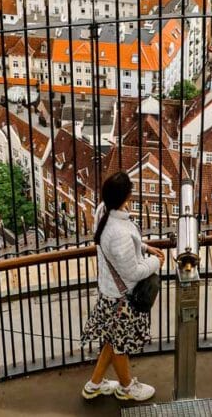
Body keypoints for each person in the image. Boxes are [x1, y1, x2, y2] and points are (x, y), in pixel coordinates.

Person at [81, 171, 165, 402]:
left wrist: (145, 248)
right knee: (120, 345)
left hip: (109, 291)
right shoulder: (118, 233)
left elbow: (128, 247)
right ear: (127, 196)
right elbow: (133, 272)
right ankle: (126, 387)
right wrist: (155, 261)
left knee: (111, 339)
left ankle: (94, 385)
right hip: (122, 298)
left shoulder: (102, 210)